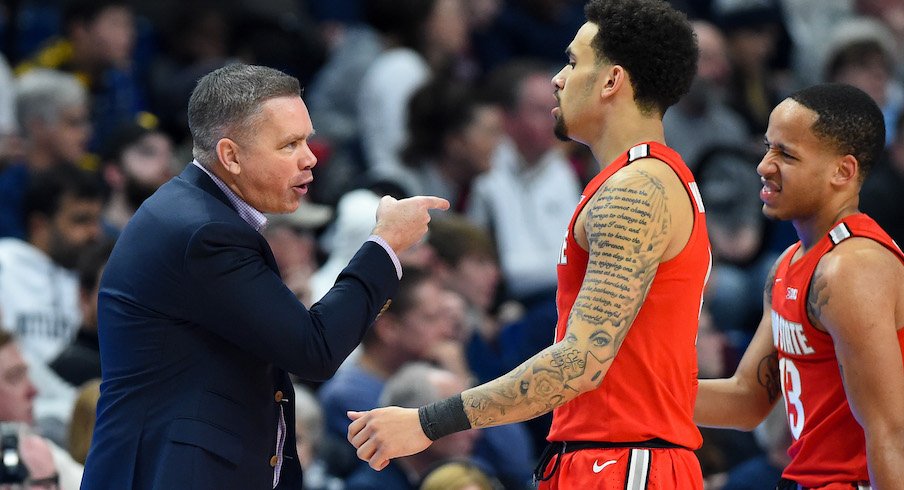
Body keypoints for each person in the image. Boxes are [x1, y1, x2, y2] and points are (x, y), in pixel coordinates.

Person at [347, 1, 709, 488]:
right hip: (605, 453)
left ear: (611, 81)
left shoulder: (636, 190)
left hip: (622, 461)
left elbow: (579, 362)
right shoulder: (639, 180)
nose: (558, 79)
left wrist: (424, 422)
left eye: (574, 62)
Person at [80, 63, 449, 490]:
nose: (310, 158)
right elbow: (315, 349)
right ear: (230, 156)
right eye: (289, 145)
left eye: (307, 139)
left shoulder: (197, 214)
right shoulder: (205, 234)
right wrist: (386, 245)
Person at [693, 83, 904, 489]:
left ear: (842, 171)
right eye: (768, 147)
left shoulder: (851, 268)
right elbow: (747, 401)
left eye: (786, 154)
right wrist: (627, 393)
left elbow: (891, 431)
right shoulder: (789, 263)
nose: (764, 165)